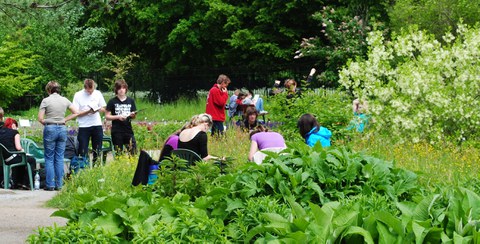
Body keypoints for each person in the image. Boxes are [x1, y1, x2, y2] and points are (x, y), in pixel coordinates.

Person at [38, 81, 79, 191]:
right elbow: (76, 112)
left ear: (48, 90)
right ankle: (59, 184)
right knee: (59, 157)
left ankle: (50, 185)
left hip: (50, 128)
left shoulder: (45, 100)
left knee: (49, 157)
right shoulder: (65, 100)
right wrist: (64, 119)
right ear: (58, 89)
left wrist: (48, 123)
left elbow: (40, 118)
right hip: (62, 128)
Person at [72, 79, 107, 165]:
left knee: (97, 149)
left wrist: (97, 109)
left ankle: (97, 168)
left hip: (96, 124)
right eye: (88, 91)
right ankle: (83, 168)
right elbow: (75, 113)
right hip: (84, 126)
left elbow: (104, 108)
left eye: (92, 90)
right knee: (82, 149)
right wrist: (88, 111)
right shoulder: (78, 95)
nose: (90, 92)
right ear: (85, 88)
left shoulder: (98, 93)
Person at [0, 118, 36, 189]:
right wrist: (23, 151)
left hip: (2, 159)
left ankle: (16, 182)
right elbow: (18, 148)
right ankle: (26, 183)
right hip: (11, 158)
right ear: (13, 125)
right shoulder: (14, 132)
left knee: (18, 159)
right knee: (31, 160)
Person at [105, 79, 137, 154]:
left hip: (128, 129)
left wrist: (132, 115)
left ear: (126, 89)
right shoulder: (112, 101)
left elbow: (134, 115)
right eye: (119, 88)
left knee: (133, 151)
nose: (121, 90)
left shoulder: (131, 101)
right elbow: (107, 116)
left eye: (123, 88)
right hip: (117, 131)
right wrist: (118, 117)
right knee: (119, 153)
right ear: (116, 90)